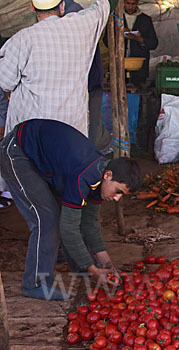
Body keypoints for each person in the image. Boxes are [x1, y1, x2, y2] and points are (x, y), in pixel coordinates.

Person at [0, 119, 141, 301]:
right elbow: (68, 229)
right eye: (118, 192)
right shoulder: (83, 175)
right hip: (17, 152)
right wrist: (93, 268)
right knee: (48, 219)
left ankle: (80, 267)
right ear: (108, 175)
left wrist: (106, 263)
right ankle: (35, 283)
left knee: (72, 216)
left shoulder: (100, 180)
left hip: (43, 157)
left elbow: (90, 223)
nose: (116, 198)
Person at [0, 0, 116, 137]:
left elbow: (5, 82)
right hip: (71, 133)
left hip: (31, 133)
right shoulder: (81, 27)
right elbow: (106, 5)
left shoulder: (22, 39)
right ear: (62, 6)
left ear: (32, 7)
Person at [64, 0, 111, 154]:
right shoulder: (78, 18)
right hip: (86, 82)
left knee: (90, 122)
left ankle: (90, 155)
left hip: (89, 82)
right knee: (89, 122)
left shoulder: (76, 18)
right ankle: (90, 153)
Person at [121, 0, 158, 86]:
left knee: (138, 91)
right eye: (128, 3)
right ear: (123, 3)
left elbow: (154, 43)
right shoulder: (116, 19)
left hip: (139, 66)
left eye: (133, 4)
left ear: (137, 3)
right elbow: (106, 41)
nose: (130, 7)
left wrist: (140, 39)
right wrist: (119, 35)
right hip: (119, 65)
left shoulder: (145, 19)